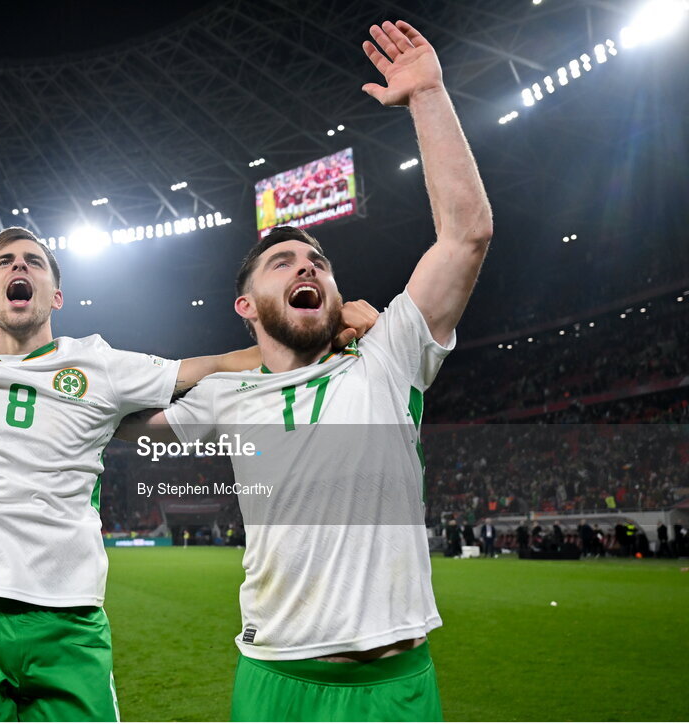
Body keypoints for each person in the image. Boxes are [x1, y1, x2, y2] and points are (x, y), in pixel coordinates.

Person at [0, 129, 385, 721]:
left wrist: (326, 328)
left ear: (55, 295)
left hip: (69, 618)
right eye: (6, 262)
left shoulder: (100, 364)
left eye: (33, 261)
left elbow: (218, 365)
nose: (20, 266)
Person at [122, 19, 491, 721]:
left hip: (395, 689)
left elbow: (466, 235)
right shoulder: (226, 397)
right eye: (283, 261)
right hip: (274, 684)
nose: (307, 266)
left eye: (319, 261)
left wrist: (429, 97)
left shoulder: (387, 359)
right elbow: (119, 423)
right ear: (247, 304)